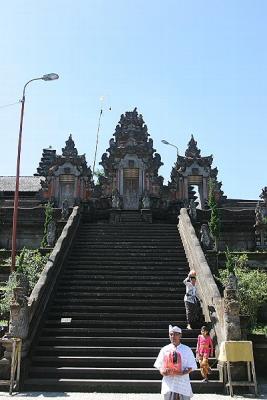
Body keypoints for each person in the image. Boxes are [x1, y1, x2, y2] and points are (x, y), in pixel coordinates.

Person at [154, 325, 197, 400]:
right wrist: (163, 372)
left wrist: (182, 373)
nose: (173, 336)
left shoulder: (187, 349)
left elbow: (192, 366)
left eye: (175, 334)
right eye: (171, 334)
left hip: (182, 382)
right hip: (169, 382)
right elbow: (159, 365)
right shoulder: (164, 349)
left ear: (180, 335)